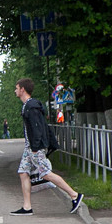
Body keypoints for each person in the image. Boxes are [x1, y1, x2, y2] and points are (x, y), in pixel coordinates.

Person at [10, 78, 82, 216]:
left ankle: (74, 195)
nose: (15, 90)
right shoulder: (28, 105)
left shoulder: (32, 106)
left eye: (16, 88)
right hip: (30, 147)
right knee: (23, 172)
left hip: (35, 147)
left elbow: (38, 128)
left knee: (46, 173)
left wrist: (36, 147)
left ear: (22, 89)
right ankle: (27, 207)